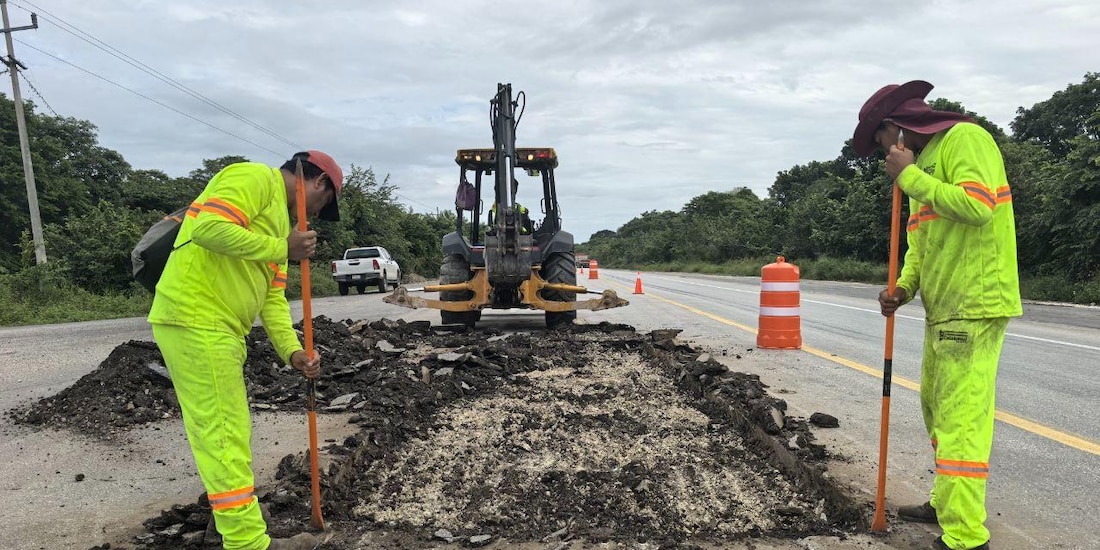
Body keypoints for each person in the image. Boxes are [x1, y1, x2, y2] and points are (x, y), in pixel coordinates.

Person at [853, 81, 1021, 550]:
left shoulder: (965, 139)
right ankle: (947, 500)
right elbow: (920, 245)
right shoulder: (921, 168)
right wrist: (903, 288)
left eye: (880, 141)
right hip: (944, 308)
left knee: (960, 419)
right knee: (937, 409)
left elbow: (978, 206)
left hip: (974, 302)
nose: (883, 153)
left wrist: (909, 176)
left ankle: (965, 534)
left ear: (895, 127)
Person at [148, 150, 344, 550]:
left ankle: (236, 528)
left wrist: (293, 351)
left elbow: (272, 298)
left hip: (218, 326)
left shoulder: (281, 224)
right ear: (319, 182)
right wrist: (281, 247)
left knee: (227, 430)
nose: (315, 215)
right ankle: (247, 542)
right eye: (323, 204)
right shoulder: (253, 178)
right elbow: (208, 229)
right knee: (224, 433)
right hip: (198, 317)